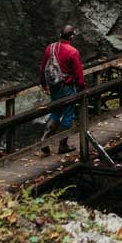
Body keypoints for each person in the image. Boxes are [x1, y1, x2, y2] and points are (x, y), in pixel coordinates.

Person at [39, 25, 85, 155]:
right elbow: (79, 72)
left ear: (60, 35)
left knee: (56, 112)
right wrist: (82, 87)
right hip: (67, 86)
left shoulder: (50, 48)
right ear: (72, 37)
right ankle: (63, 145)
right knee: (68, 114)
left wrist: (44, 84)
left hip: (54, 86)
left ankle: (45, 141)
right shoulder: (73, 52)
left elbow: (43, 67)